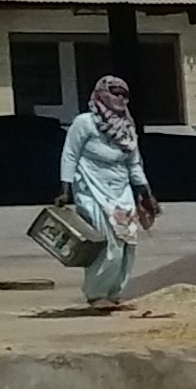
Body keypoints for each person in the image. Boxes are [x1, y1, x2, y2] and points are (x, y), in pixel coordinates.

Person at [56, 72, 156, 312]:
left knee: (127, 241)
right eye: (114, 92)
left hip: (121, 192)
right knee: (107, 241)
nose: (120, 98)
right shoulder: (85, 123)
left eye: (124, 94)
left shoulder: (127, 128)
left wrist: (146, 193)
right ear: (101, 94)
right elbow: (70, 155)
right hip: (92, 189)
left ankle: (114, 293)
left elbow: (134, 164)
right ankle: (96, 293)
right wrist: (65, 189)